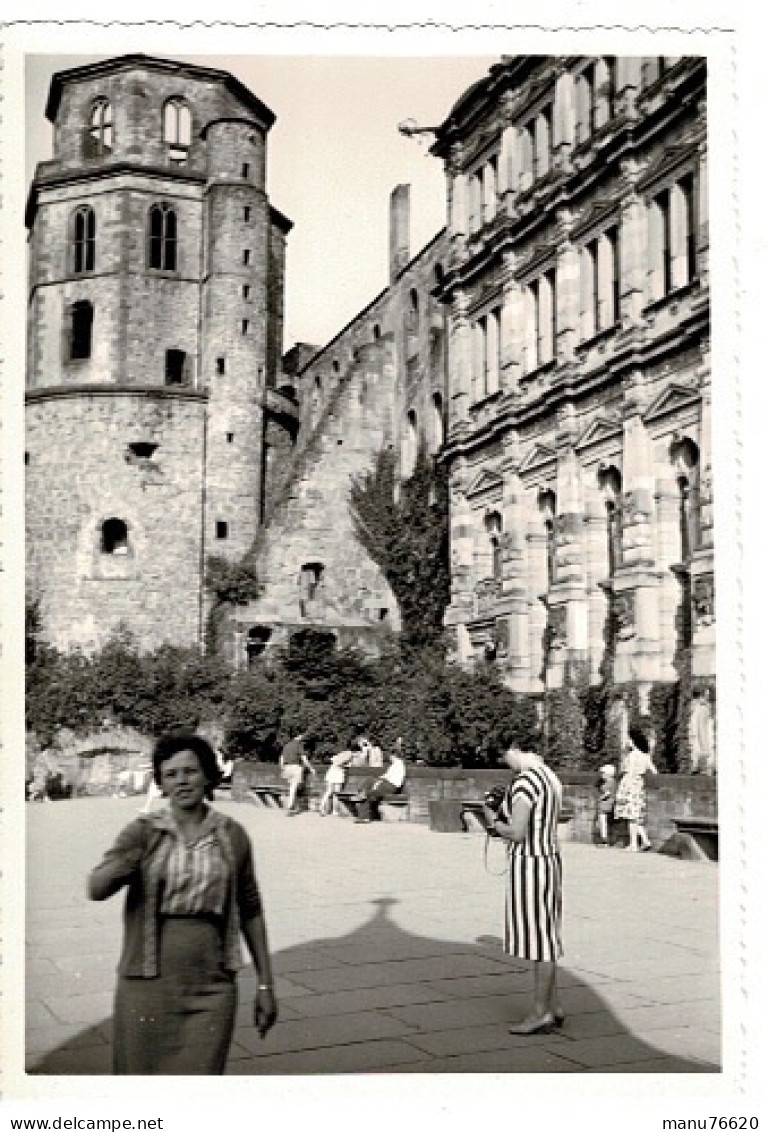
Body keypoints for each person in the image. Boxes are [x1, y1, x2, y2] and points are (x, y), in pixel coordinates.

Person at [88, 731, 278, 1074]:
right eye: (171, 774)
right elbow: (96, 888)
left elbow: (251, 909)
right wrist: (124, 862)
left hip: (212, 989)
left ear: (207, 774)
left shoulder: (233, 835)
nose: (181, 781)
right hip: (147, 987)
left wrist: (266, 984)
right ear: (160, 782)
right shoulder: (143, 831)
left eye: (190, 771)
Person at [483, 746, 564, 1035]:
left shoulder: (525, 782)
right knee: (547, 935)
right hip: (550, 861)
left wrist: (493, 821)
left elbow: (517, 832)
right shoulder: (549, 777)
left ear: (514, 750)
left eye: (504, 755)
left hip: (529, 865)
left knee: (540, 941)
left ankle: (540, 1013)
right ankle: (554, 1006)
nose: (505, 762)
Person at [614, 726, 658, 852]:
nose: (627, 742)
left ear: (633, 741)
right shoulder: (645, 755)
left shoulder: (632, 755)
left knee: (630, 816)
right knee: (635, 816)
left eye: (629, 739)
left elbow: (625, 770)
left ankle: (633, 844)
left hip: (629, 784)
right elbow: (654, 771)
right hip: (639, 785)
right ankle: (645, 841)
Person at [354, 738, 406, 823]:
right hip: (388, 785)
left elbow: (390, 779)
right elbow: (386, 776)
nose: (389, 758)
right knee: (370, 782)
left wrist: (379, 783)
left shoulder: (398, 764)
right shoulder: (396, 765)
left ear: (394, 756)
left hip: (390, 786)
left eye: (390, 756)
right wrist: (378, 781)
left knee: (368, 793)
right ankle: (361, 793)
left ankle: (364, 817)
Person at [279, 732, 316, 815]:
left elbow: (281, 758)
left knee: (291, 787)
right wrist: (311, 768)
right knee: (294, 787)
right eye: (302, 736)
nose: (303, 737)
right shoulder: (298, 745)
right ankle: (290, 806)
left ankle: (292, 804)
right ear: (299, 736)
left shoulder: (287, 745)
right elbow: (304, 759)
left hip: (287, 767)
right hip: (296, 767)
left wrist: (282, 768)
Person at [319, 739, 357, 816]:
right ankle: (334, 810)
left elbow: (331, 760)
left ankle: (322, 806)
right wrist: (346, 765)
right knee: (336, 793)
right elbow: (339, 763)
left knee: (329, 791)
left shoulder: (342, 753)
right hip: (339, 772)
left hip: (331, 771)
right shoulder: (350, 755)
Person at [595, 764, 617, 846]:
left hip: (605, 803)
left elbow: (607, 793)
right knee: (604, 821)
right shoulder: (613, 781)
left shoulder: (609, 782)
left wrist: (600, 798)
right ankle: (605, 839)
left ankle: (604, 839)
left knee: (602, 821)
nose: (602, 775)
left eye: (603, 773)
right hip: (609, 802)